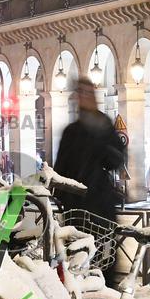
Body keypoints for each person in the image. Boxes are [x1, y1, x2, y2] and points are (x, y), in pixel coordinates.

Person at [54, 78, 126, 222]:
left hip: (100, 201)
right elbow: (60, 168)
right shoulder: (71, 131)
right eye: (80, 92)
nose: (83, 96)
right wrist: (61, 195)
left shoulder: (103, 125)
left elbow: (116, 160)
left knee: (101, 234)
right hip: (76, 204)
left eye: (87, 92)